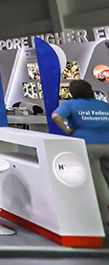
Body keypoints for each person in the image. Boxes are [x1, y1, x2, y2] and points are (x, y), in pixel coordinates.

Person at [52, 79, 109, 224]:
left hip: (88, 145)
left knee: (97, 181)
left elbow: (56, 116)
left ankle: (104, 218)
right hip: (107, 143)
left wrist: (66, 130)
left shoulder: (70, 104)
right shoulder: (103, 104)